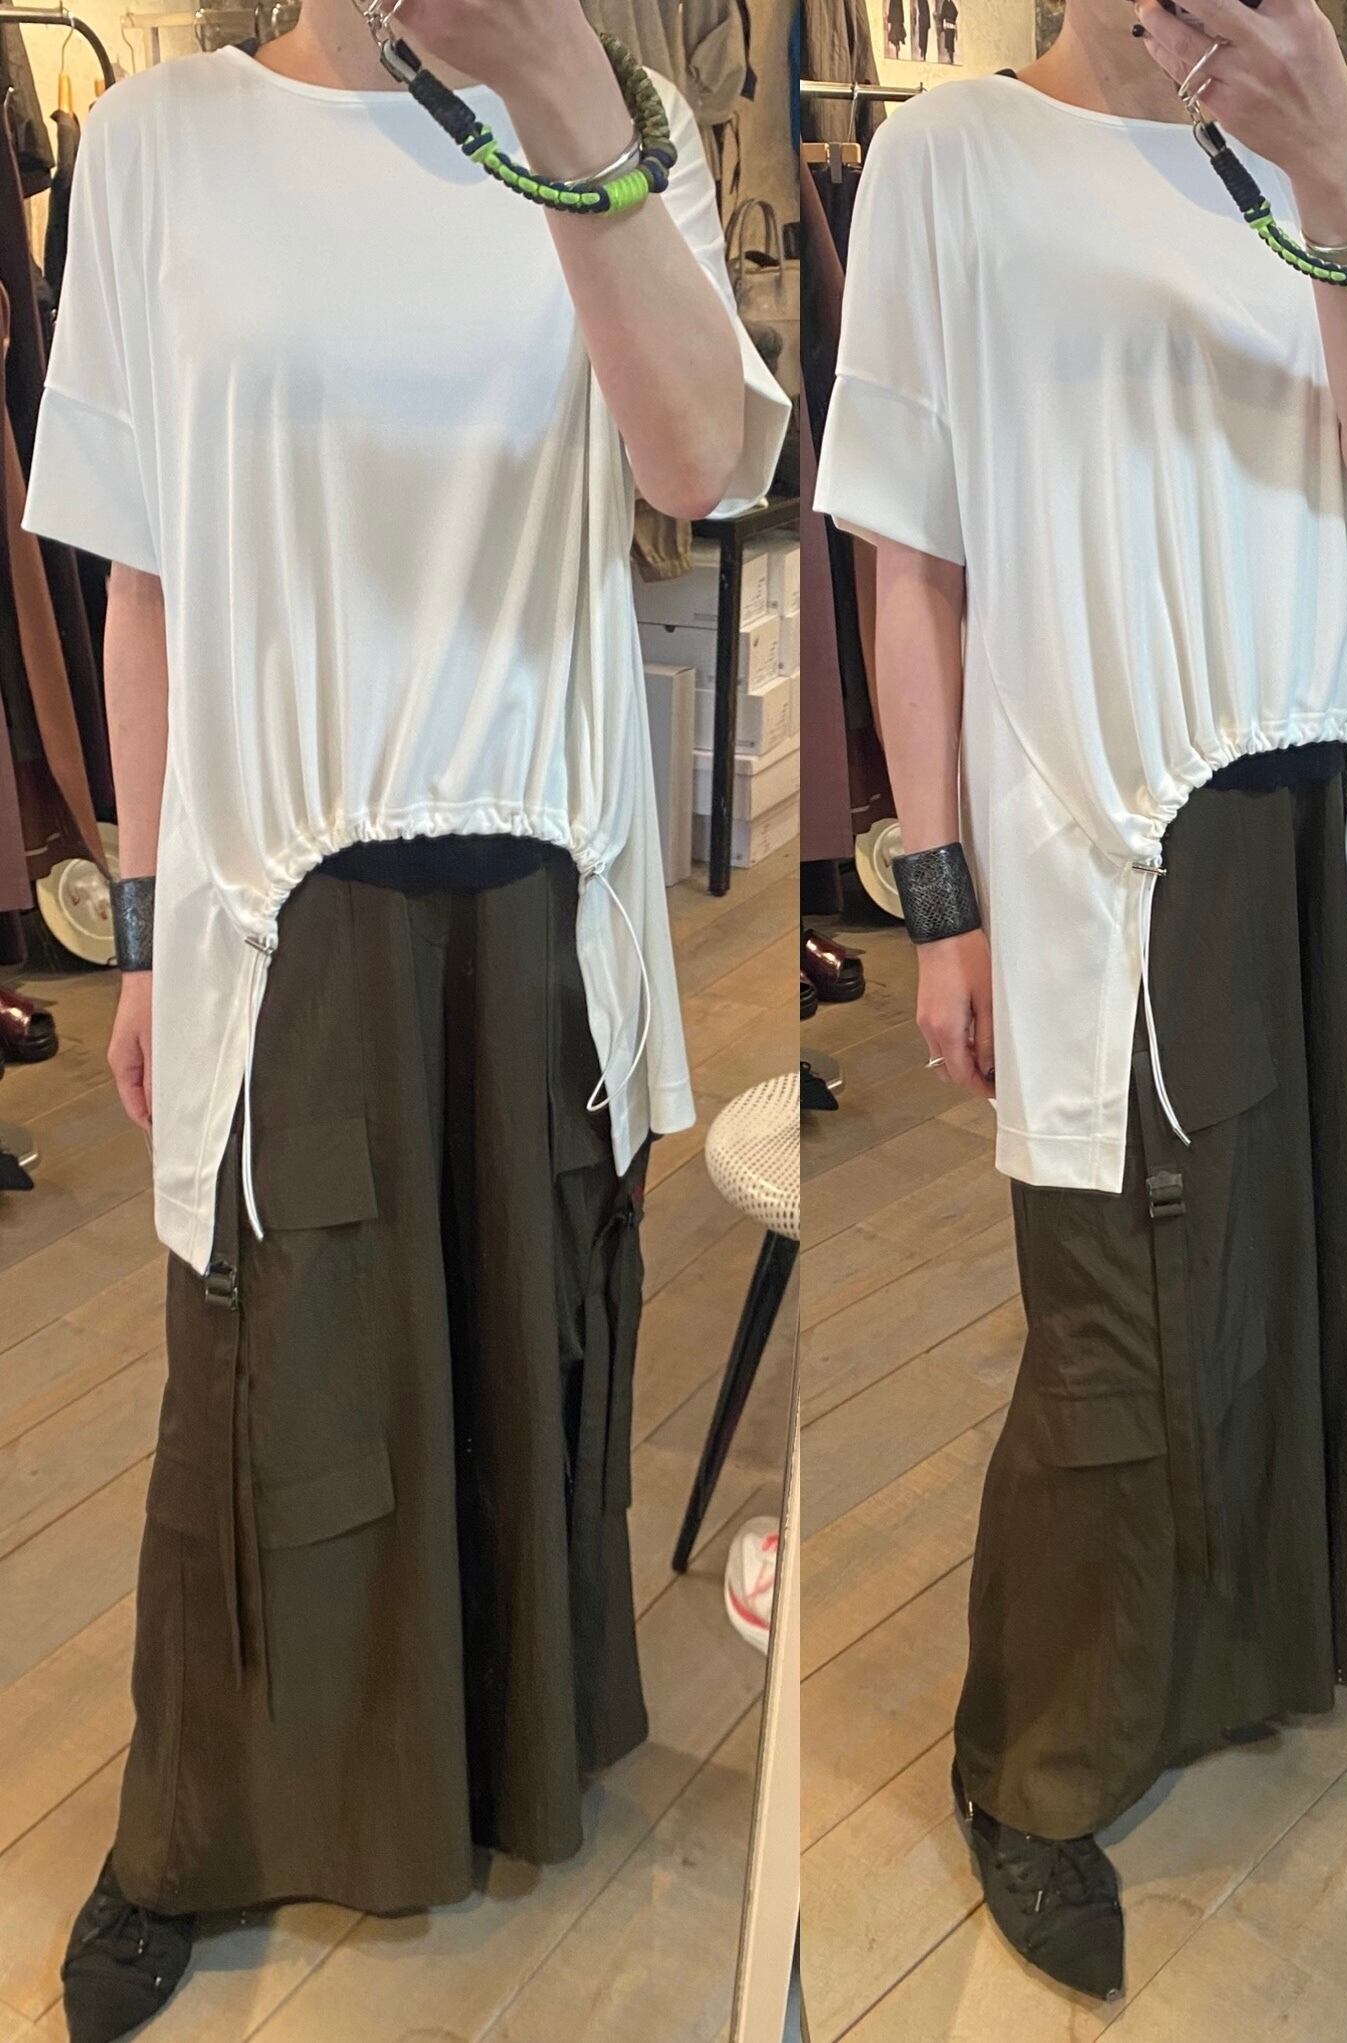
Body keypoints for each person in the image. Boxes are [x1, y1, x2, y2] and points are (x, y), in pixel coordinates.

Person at [22, 0, 788, 2036]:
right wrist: (146, 933)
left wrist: (566, 107)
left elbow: (699, 465)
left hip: (538, 872)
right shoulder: (162, 142)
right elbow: (140, 583)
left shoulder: (614, 123)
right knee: (257, 1355)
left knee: (527, 1320)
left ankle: (492, 1760)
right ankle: (191, 1826)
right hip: (276, 892)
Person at [815, 0, 1347, 2003]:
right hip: (1094, 821)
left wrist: (1340, 171)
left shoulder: (1316, 149)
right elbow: (908, 561)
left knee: (1264, 1258)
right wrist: (939, 901)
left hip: (1290, 798)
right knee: (1108, 1304)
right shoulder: (950, 158)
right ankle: (1032, 1757)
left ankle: (1222, 1654)